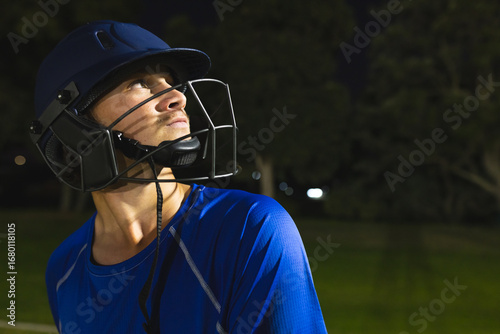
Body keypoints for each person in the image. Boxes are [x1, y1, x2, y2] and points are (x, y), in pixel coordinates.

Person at [30, 20, 327, 333]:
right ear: (74, 129)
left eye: (171, 81)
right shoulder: (64, 267)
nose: (178, 97)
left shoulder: (249, 228)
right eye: (139, 83)